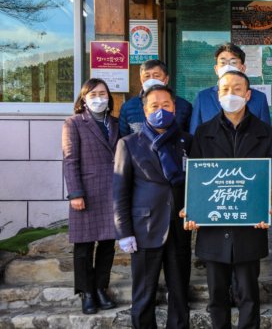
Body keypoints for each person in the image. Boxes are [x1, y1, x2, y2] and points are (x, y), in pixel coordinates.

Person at [184, 70, 272, 329]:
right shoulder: (203, 132)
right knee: (216, 297)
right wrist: (192, 210)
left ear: (248, 95)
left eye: (237, 89)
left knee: (249, 295)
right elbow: (197, 178)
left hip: (249, 227)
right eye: (225, 89)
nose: (231, 94)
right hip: (213, 228)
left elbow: (269, 177)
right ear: (217, 94)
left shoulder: (265, 132)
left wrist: (266, 206)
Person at [113, 85, 192, 329]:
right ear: (145, 111)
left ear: (174, 108)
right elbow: (119, 191)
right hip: (144, 228)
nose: (161, 110)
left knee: (179, 295)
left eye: (166, 105)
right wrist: (123, 231)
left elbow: (198, 182)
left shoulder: (186, 141)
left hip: (180, 227)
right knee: (144, 295)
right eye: (154, 106)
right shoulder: (128, 144)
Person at [62, 78, 118, 315]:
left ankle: (101, 288)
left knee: (108, 244)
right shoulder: (73, 123)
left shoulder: (115, 123)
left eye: (103, 93)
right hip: (87, 191)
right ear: (83, 98)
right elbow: (70, 159)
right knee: (84, 246)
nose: (98, 98)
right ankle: (86, 292)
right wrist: (75, 192)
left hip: (113, 191)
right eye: (93, 94)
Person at [189, 43, 271, 135]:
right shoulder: (203, 97)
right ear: (216, 69)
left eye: (233, 62)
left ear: (243, 68)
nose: (227, 67)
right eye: (223, 63)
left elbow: (265, 135)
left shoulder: (259, 98)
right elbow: (194, 135)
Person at [118, 59, 193, 136]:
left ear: (166, 79)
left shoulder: (184, 106)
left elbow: (189, 136)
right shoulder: (128, 107)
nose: (151, 80)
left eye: (156, 76)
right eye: (147, 76)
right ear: (141, 80)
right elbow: (124, 136)